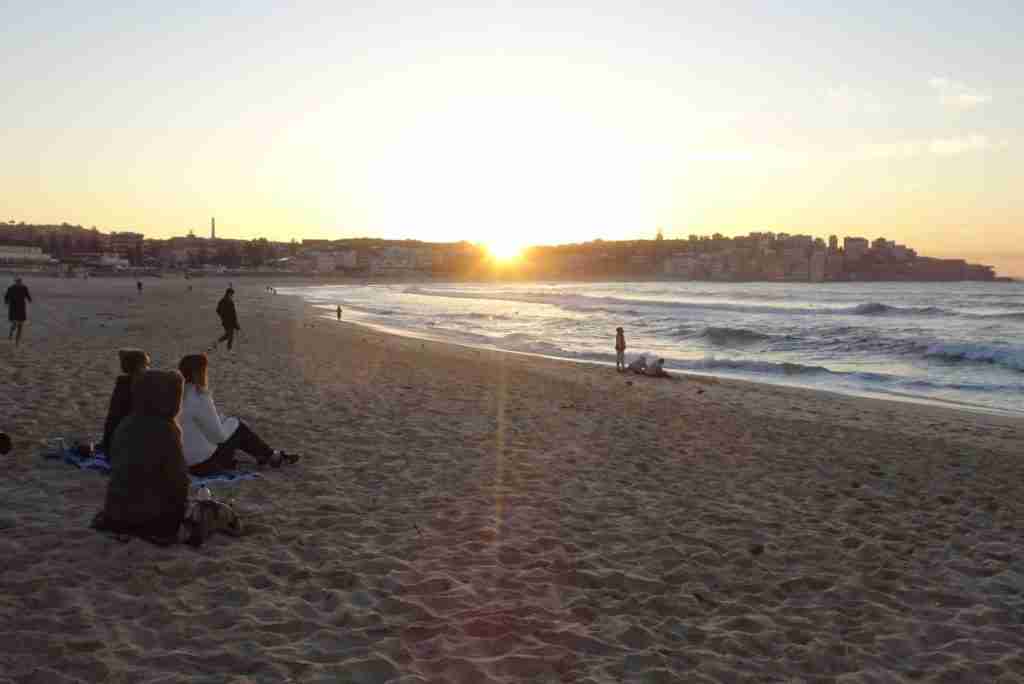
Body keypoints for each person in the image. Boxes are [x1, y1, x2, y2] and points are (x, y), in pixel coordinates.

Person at [96, 370, 191, 544]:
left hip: (115, 513)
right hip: (150, 519)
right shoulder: (166, 430)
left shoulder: (125, 423)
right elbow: (179, 481)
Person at [178, 354, 299, 475]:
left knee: (229, 424)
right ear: (199, 373)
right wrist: (230, 424)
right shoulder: (200, 397)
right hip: (204, 464)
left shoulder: (176, 394)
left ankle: (265, 455)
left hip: (184, 462)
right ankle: (272, 456)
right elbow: (218, 437)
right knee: (237, 426)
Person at [100, 349, 151, 455]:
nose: (148, 368)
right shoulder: (130, 386)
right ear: (138, 366)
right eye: (146, 365)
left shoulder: (123, 383)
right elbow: (114, 417)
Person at [5, 277, 31, 345]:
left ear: (21, 282)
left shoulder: (24, 288)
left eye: (19, 282)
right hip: (13, 308)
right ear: (15, 282)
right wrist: (6, 301)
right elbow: (6, 296)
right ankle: (11, 333)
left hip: (21, 308)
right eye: (17, 282)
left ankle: (17, 341)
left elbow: (27, 295)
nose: (19, 283)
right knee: (14, 324)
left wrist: (30, 300)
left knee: (20, 325)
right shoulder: (11, 288)